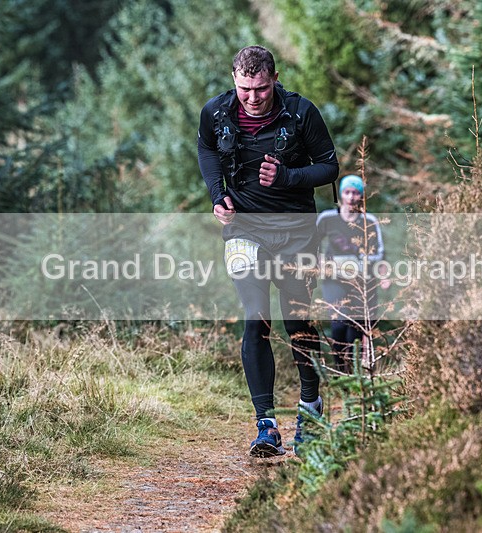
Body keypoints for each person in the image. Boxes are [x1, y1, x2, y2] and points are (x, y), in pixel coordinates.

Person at [197, 45, 339, 457]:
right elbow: (207, 148)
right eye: (244, 89)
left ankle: (310, 408)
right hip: (244, 230)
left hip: (296, 232)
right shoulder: (216, 112)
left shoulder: (301, 112)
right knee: (255, 317)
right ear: (234, 80)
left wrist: (288, 176)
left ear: (274, 79)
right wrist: (217, 195)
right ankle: (266, 426)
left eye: (260, 89)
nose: (253, 98)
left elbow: (329, 166)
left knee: (297, 322)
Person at [316, 174, 390, 373]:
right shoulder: (327, 218)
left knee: (355, 330)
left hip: (362, 280)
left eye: (356, 193)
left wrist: (360, 265)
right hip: (334, 279)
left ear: (361, 196)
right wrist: (320, 261)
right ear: (341, 195)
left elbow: (379, 252)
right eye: (347, 192)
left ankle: (355, 374)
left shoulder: (369, 221)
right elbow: (311, 243)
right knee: (339, 323)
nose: (351, 197)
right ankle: (341, 371)